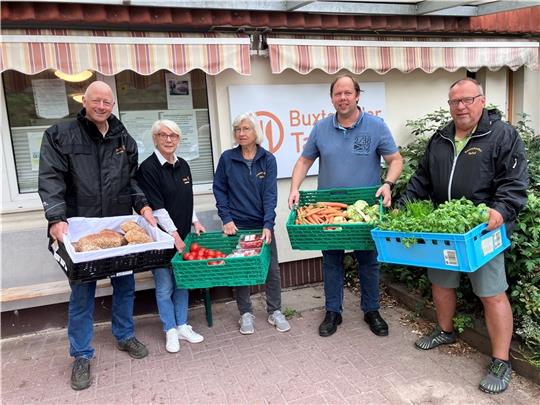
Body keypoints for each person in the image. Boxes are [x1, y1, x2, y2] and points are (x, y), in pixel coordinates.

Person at [398, 78, 528, 394]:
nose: (461, 107)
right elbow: (421, 179)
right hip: (446, 229)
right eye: (455, 101)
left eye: (467, 100)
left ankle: (501, 360)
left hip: (483, 230)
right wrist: (401, 208)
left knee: (491, 291)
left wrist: (500, 210)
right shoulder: (441, 137)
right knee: (441, 281)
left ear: (481, 101)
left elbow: (514, 181)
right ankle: (445, 330)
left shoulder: (501, 135)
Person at [38, 81, 157, 391]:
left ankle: (124, 335)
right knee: (81, 295)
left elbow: (131, 182)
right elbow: (50, 178)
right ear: (85, 101)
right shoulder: (60, 135)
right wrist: (55, 217)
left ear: (113, 105)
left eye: (107, 101)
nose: (102, 106)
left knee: (125, 286)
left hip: (117, 231)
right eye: (96, 101)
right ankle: (80, 354)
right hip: (81, 232)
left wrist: (143, 207)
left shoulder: (124, 139)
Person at [288, 74, 403, 338]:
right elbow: (304, 161)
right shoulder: (320, 128)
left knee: (368, 260)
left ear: (357, 95)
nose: (343, 98)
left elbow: (395, 160)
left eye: (348, 93)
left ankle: (372, 310)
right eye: (338, 94)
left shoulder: (375, 126)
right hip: (328, 209)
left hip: (364, 209)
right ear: (332, 98)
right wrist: (294, 187)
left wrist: (388, 184)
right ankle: (333, 311)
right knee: (331, 260)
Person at [213, 112, 291, 335]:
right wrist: (226, 218)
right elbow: (219, 189)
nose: (241, 133)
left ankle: (275, 311)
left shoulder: (268, 159)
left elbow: (270, 195)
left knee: (271, 270)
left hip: (262, 224)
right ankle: (245, 313)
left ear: (255, 132)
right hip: (238, 226)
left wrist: (268, 224)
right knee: (241, 270)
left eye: (246, 129)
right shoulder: (228, 158)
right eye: (238, 129)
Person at [137, 120, 205, 353]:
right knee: (165, 285)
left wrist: (195, 221)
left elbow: (187, 199)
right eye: (164, 135)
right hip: (163, 238)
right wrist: (175, 236)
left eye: (174, 135)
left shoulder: (184, 165)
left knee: (182, 282)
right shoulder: (148, 168)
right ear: (155, 138)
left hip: (183, 235)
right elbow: (157, 208)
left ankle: (183, 325)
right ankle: (170, 330)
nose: (169, 139)